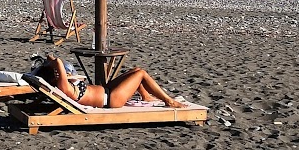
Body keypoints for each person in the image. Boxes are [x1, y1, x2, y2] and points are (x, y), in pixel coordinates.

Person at [37, 54, 188, 109]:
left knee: (136, 70)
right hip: (111, 99)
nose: (60, 72)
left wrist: (46, 64)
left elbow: (54, 60)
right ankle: (169, 101)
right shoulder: (63, 87)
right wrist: (50, 63)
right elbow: (57, 61)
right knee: (141, 74)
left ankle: (146, 96)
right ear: (52, 76)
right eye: (56, 72)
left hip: (107, 90)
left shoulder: (60, 83)